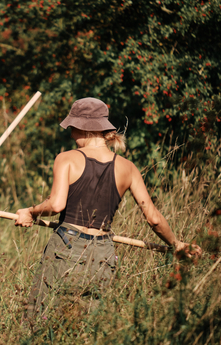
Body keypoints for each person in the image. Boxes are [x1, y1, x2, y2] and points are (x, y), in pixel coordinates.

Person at [14, 97, 202, 318]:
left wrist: (31, 211)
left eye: (72, 128)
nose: (71, 134)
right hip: (103, 252)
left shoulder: (66, 159)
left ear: (82, 127)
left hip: (66, 246)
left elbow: (56, 204)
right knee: (87, 326)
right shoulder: (128, 168)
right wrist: (176, 244)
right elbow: (154, 219)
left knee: (41, 318)